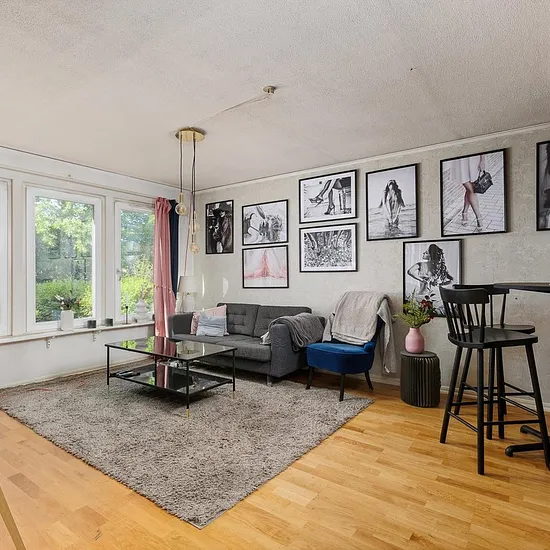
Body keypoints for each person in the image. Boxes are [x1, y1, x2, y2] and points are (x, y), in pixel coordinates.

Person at [456, 154, 484, 230]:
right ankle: (478, 216)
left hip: (474, 160)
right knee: (471, 190)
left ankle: (464, 212)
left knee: (469, 190)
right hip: (461, 161)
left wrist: (482, 160)